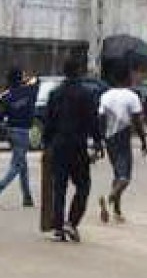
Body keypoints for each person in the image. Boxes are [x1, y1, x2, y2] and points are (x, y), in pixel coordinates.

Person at [43, 59, 104, 243]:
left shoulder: (55, 93)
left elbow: (49, 122)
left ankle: (58, 229)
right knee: (83, 185)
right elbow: (93, 120)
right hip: (78, 146)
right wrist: (98, 142)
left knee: (59, 188)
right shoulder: (87, 94)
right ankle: (72, 221)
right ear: (78, 72)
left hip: (59, 145)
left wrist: (47, 145)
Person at [97, 61, 147, 223]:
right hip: (123, 137)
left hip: (109, 138)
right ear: (127, 78)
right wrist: (143, 141)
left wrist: (99, 141)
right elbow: (137, 121)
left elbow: (100, 119)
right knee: (125, 177)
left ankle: (117, 211)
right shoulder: (132, 96)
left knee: (117, 175)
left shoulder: (105, 96)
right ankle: (109, 197)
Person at [0, 68, 39, 209]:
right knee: (17, 166)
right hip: (22, 131)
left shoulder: (6, 96)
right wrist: (26, 81)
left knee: (23, 165)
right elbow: (36, 80)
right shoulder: (29, 91)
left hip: (11, 130)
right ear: (19, 78)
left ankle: (27, 197)